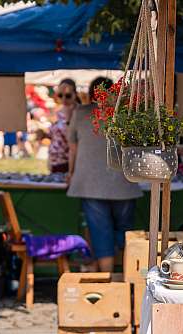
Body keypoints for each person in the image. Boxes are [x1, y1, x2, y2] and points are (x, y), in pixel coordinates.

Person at [66, 77, 141, 272]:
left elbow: (72, 148)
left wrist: (70, 173)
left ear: (91, 94)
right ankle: (128, 281)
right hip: (124, 184)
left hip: (90, 184)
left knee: (100, 232)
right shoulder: (127, 116)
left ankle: (108, 283)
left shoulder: (80, 113)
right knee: (125, 233)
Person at [47, 78, 78, 173]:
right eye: (60, 95)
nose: (64, 98)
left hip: (69, 163)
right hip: (55, 162)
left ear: (75, 95)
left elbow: (73, 140)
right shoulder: (58, 112)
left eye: (68, 95)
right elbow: (54, 137)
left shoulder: (77, 112)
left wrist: (69, 119)